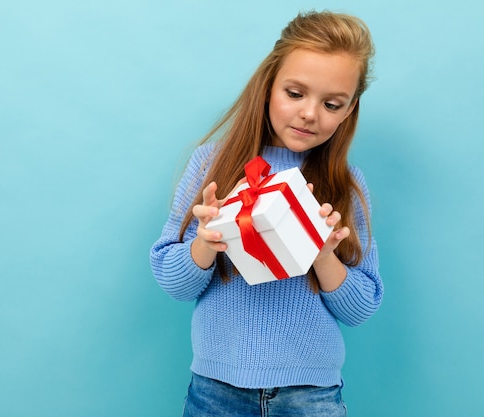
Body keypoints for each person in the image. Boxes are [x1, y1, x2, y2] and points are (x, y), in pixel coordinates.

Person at [150, 10, 384, 416]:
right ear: (267, 85)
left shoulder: (346, 185)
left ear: (349, 110)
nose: (310, 114)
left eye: (332, 103)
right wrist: (206, 241)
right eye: (295, 93)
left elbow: (361, 308)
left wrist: (323, 255)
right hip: (216, 390)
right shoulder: (211, 166)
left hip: (311, 396)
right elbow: (174, 283)